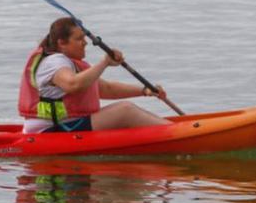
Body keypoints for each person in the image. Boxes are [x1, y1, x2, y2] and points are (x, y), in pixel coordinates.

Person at [19, 17, 172, 134]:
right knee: (125, 110)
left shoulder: (67, 62)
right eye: (79, 39)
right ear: (61, 43)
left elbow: (106, 89)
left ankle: (173, 129)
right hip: (52, 130)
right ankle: (175, 132)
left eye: (84, 38)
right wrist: (104, 62)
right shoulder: (54, 62)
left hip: (66, 125)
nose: (85, 43)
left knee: (125, 110)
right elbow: (72, 85)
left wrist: (144, 91)